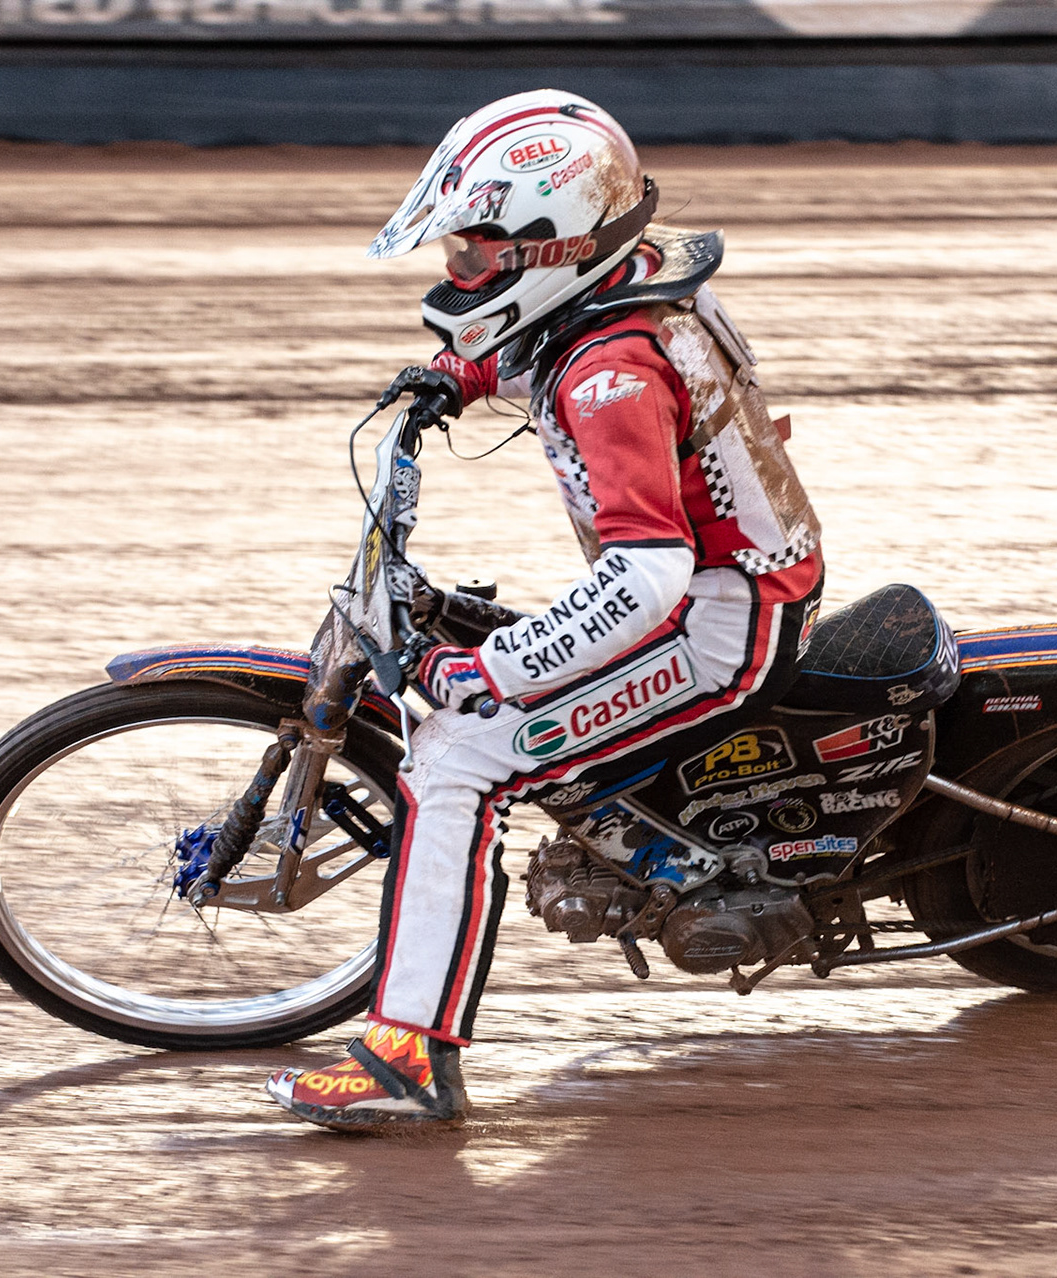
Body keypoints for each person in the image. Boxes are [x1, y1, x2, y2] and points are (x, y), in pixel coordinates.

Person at [266, 89, 823, 1132]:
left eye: (473, 257)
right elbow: (541, 329)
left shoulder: (609, 377)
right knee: (485, 685)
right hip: (730, 578)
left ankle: (409, 1062)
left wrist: (497, 674)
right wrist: (461, 371)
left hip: (715, 622)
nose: (453, 275)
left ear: (548, 248)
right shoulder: (631, 281)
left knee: (455, 755)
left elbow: (645, 579)